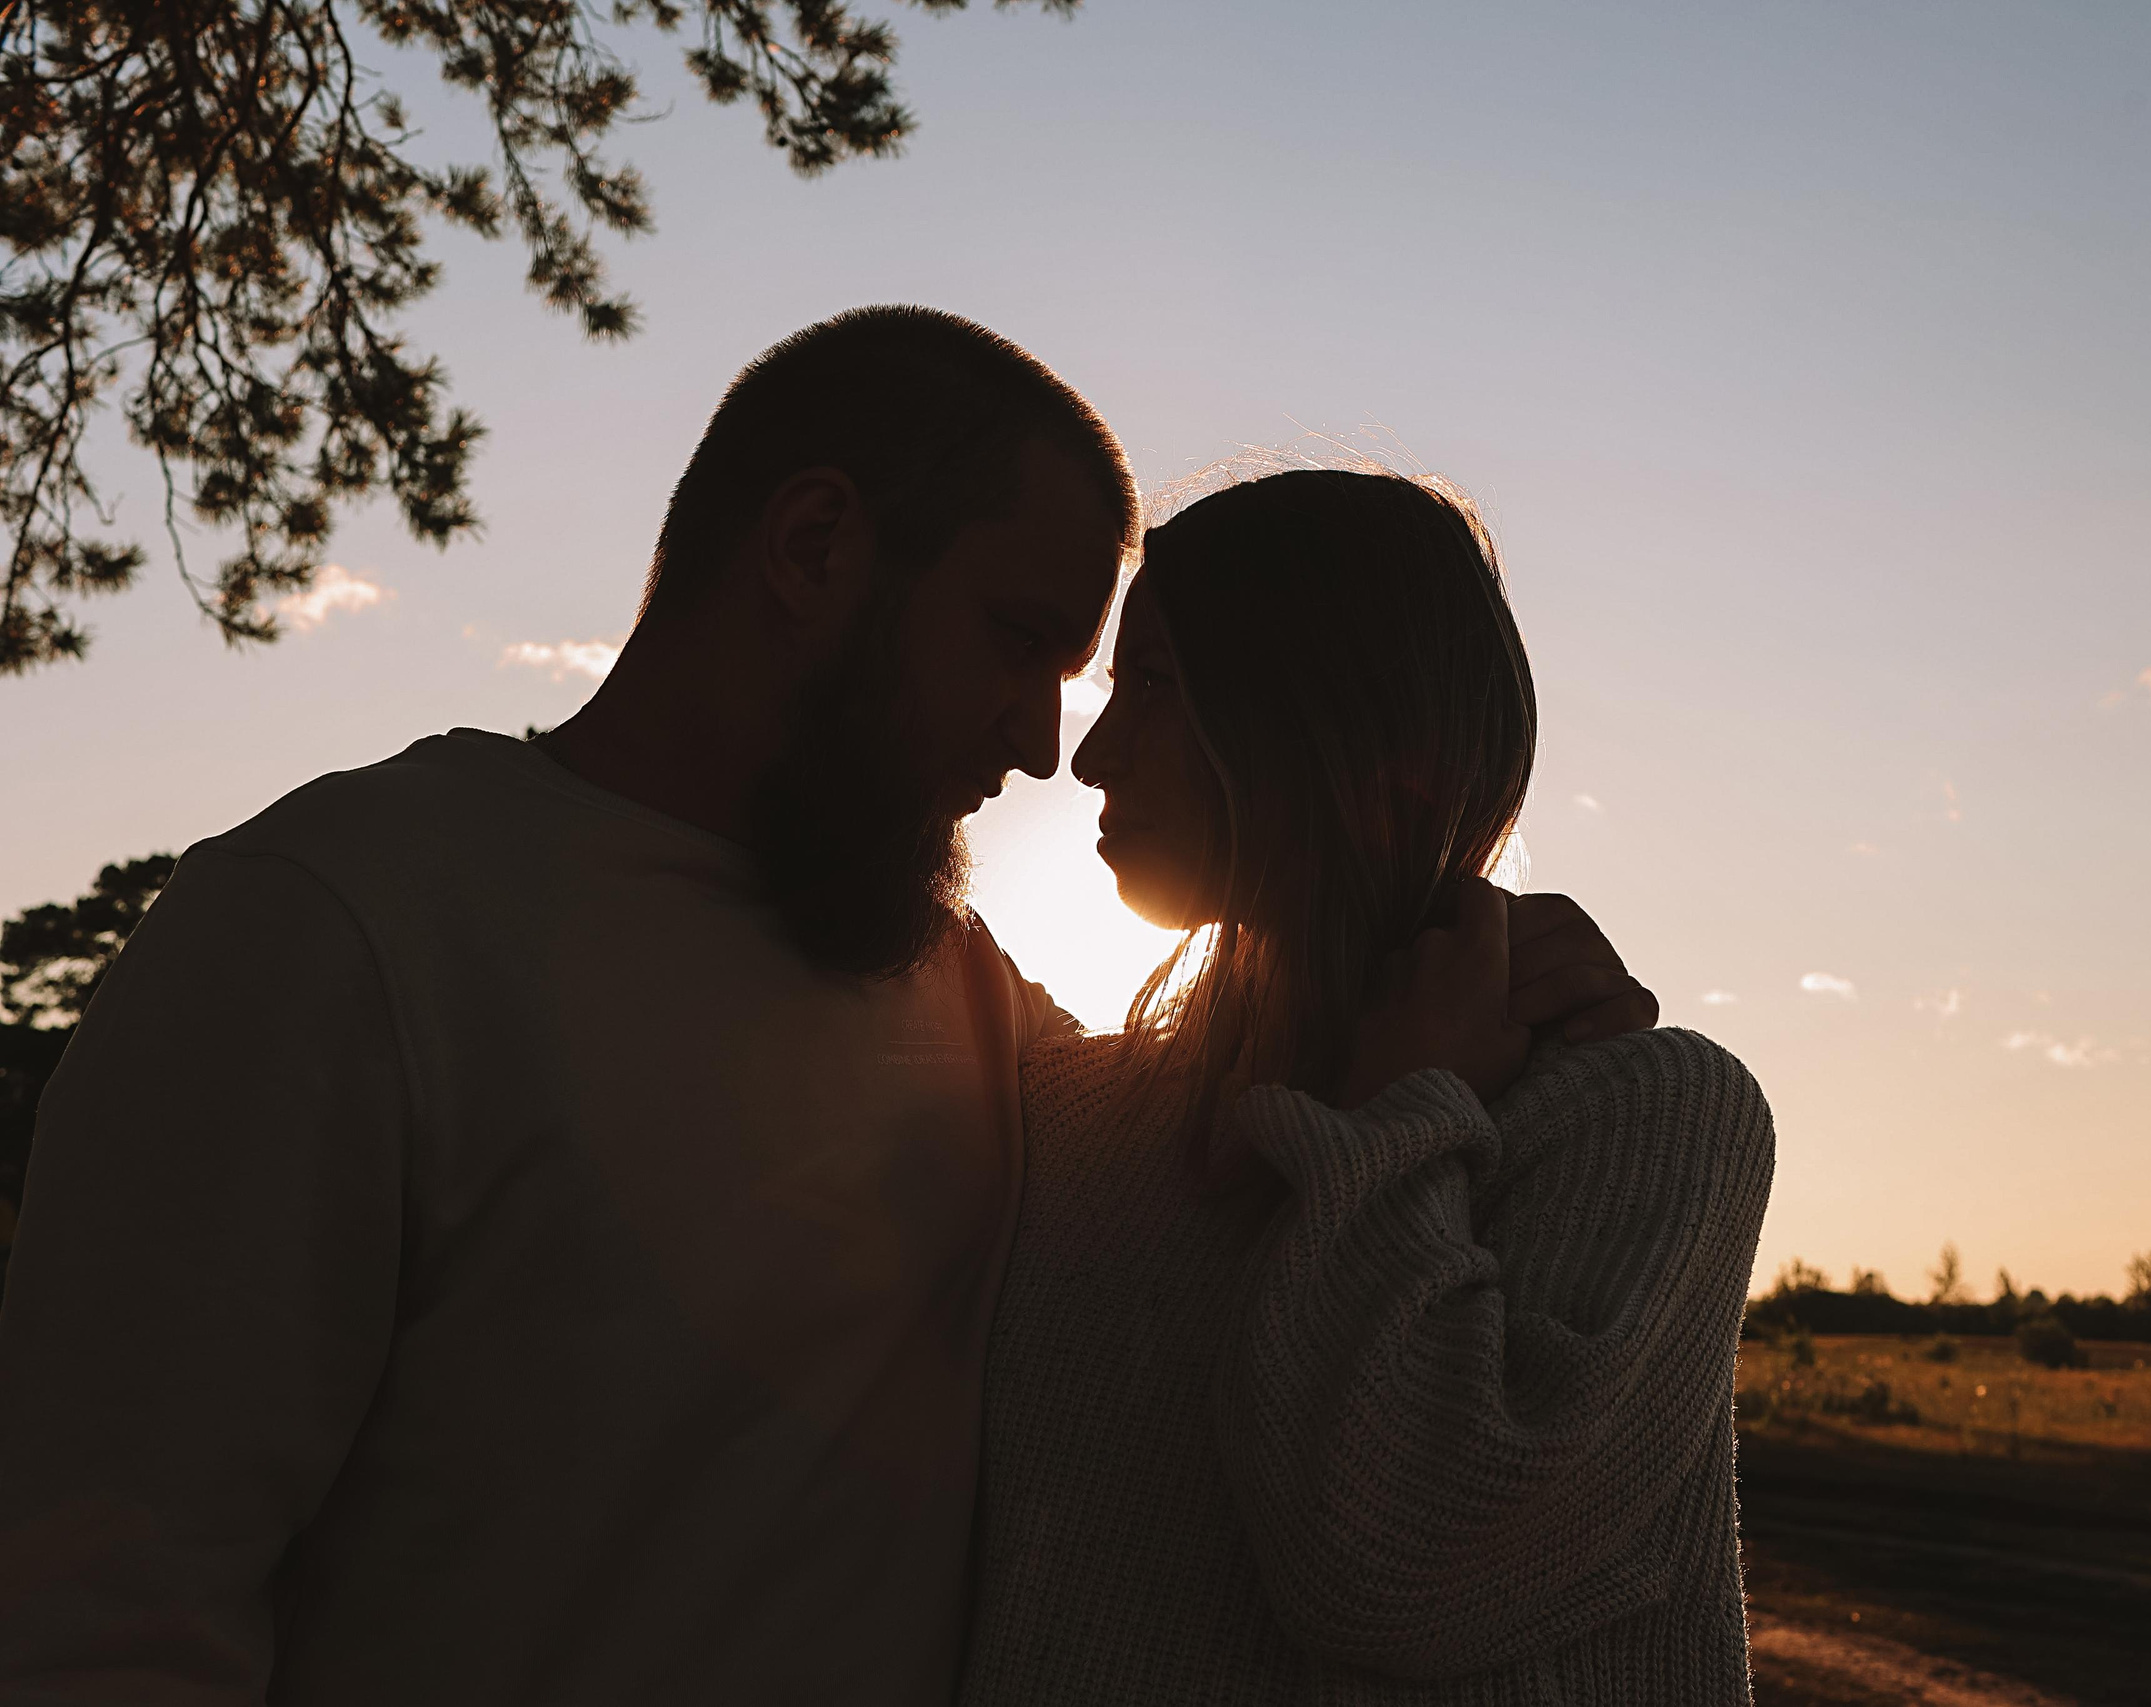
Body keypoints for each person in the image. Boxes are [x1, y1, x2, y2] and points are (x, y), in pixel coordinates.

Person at [0, 309, 1650, 1706]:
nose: (1039, 741)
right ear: (813, 548)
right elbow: (102, 1601)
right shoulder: (340, 928)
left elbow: (1238, 1135)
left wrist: (1480, 951)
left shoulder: (973, 1010)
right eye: (1018, 641)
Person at [959, 470, 1777, 1705]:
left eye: (1160, 688)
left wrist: (1400, 1125)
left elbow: (1403, 1567)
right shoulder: (1067, 1109)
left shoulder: (1639, 1118)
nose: (1091, 754)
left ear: (1354, 739)